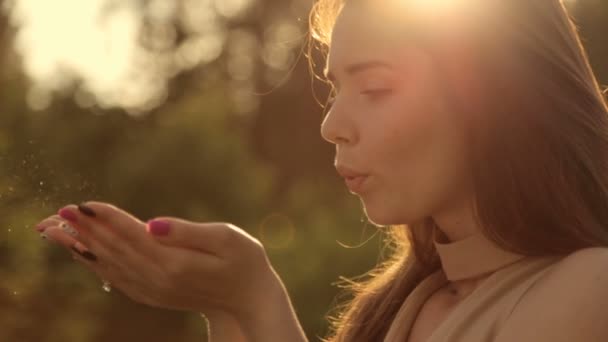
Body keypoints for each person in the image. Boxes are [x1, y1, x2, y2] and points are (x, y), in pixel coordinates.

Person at [35, 0, 608, 341]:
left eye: (376, 88)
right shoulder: (402, 304)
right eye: (336, 89)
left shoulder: (591, 288)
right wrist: (226, 306)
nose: (332, 125)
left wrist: (259, 301)